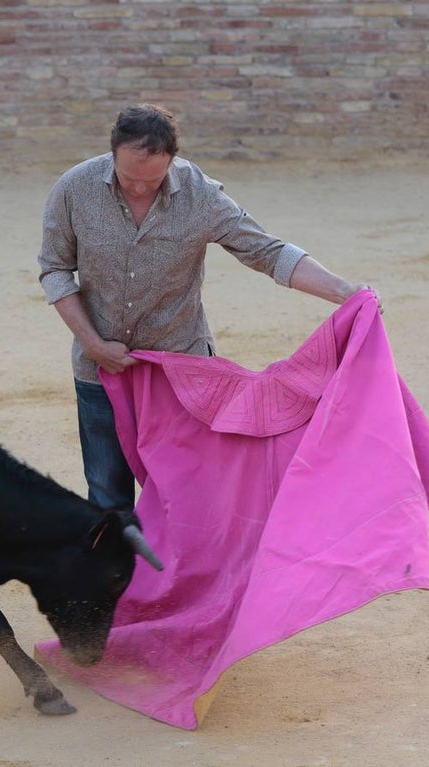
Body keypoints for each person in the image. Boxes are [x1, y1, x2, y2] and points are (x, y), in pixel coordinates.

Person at [37, 103, 379, 511]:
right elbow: (55, 269)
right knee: (108, 496)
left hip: (180, 372)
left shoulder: (199, 194)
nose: (140, 189)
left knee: (187, 497)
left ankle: (182, 576)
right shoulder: (75, 187)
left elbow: (266, 252)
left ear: (172, 161)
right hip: (99, 370)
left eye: (153, 179)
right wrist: (92, 344)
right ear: (112, 154)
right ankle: (122, 577)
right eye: (129, 179)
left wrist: (344, 291)